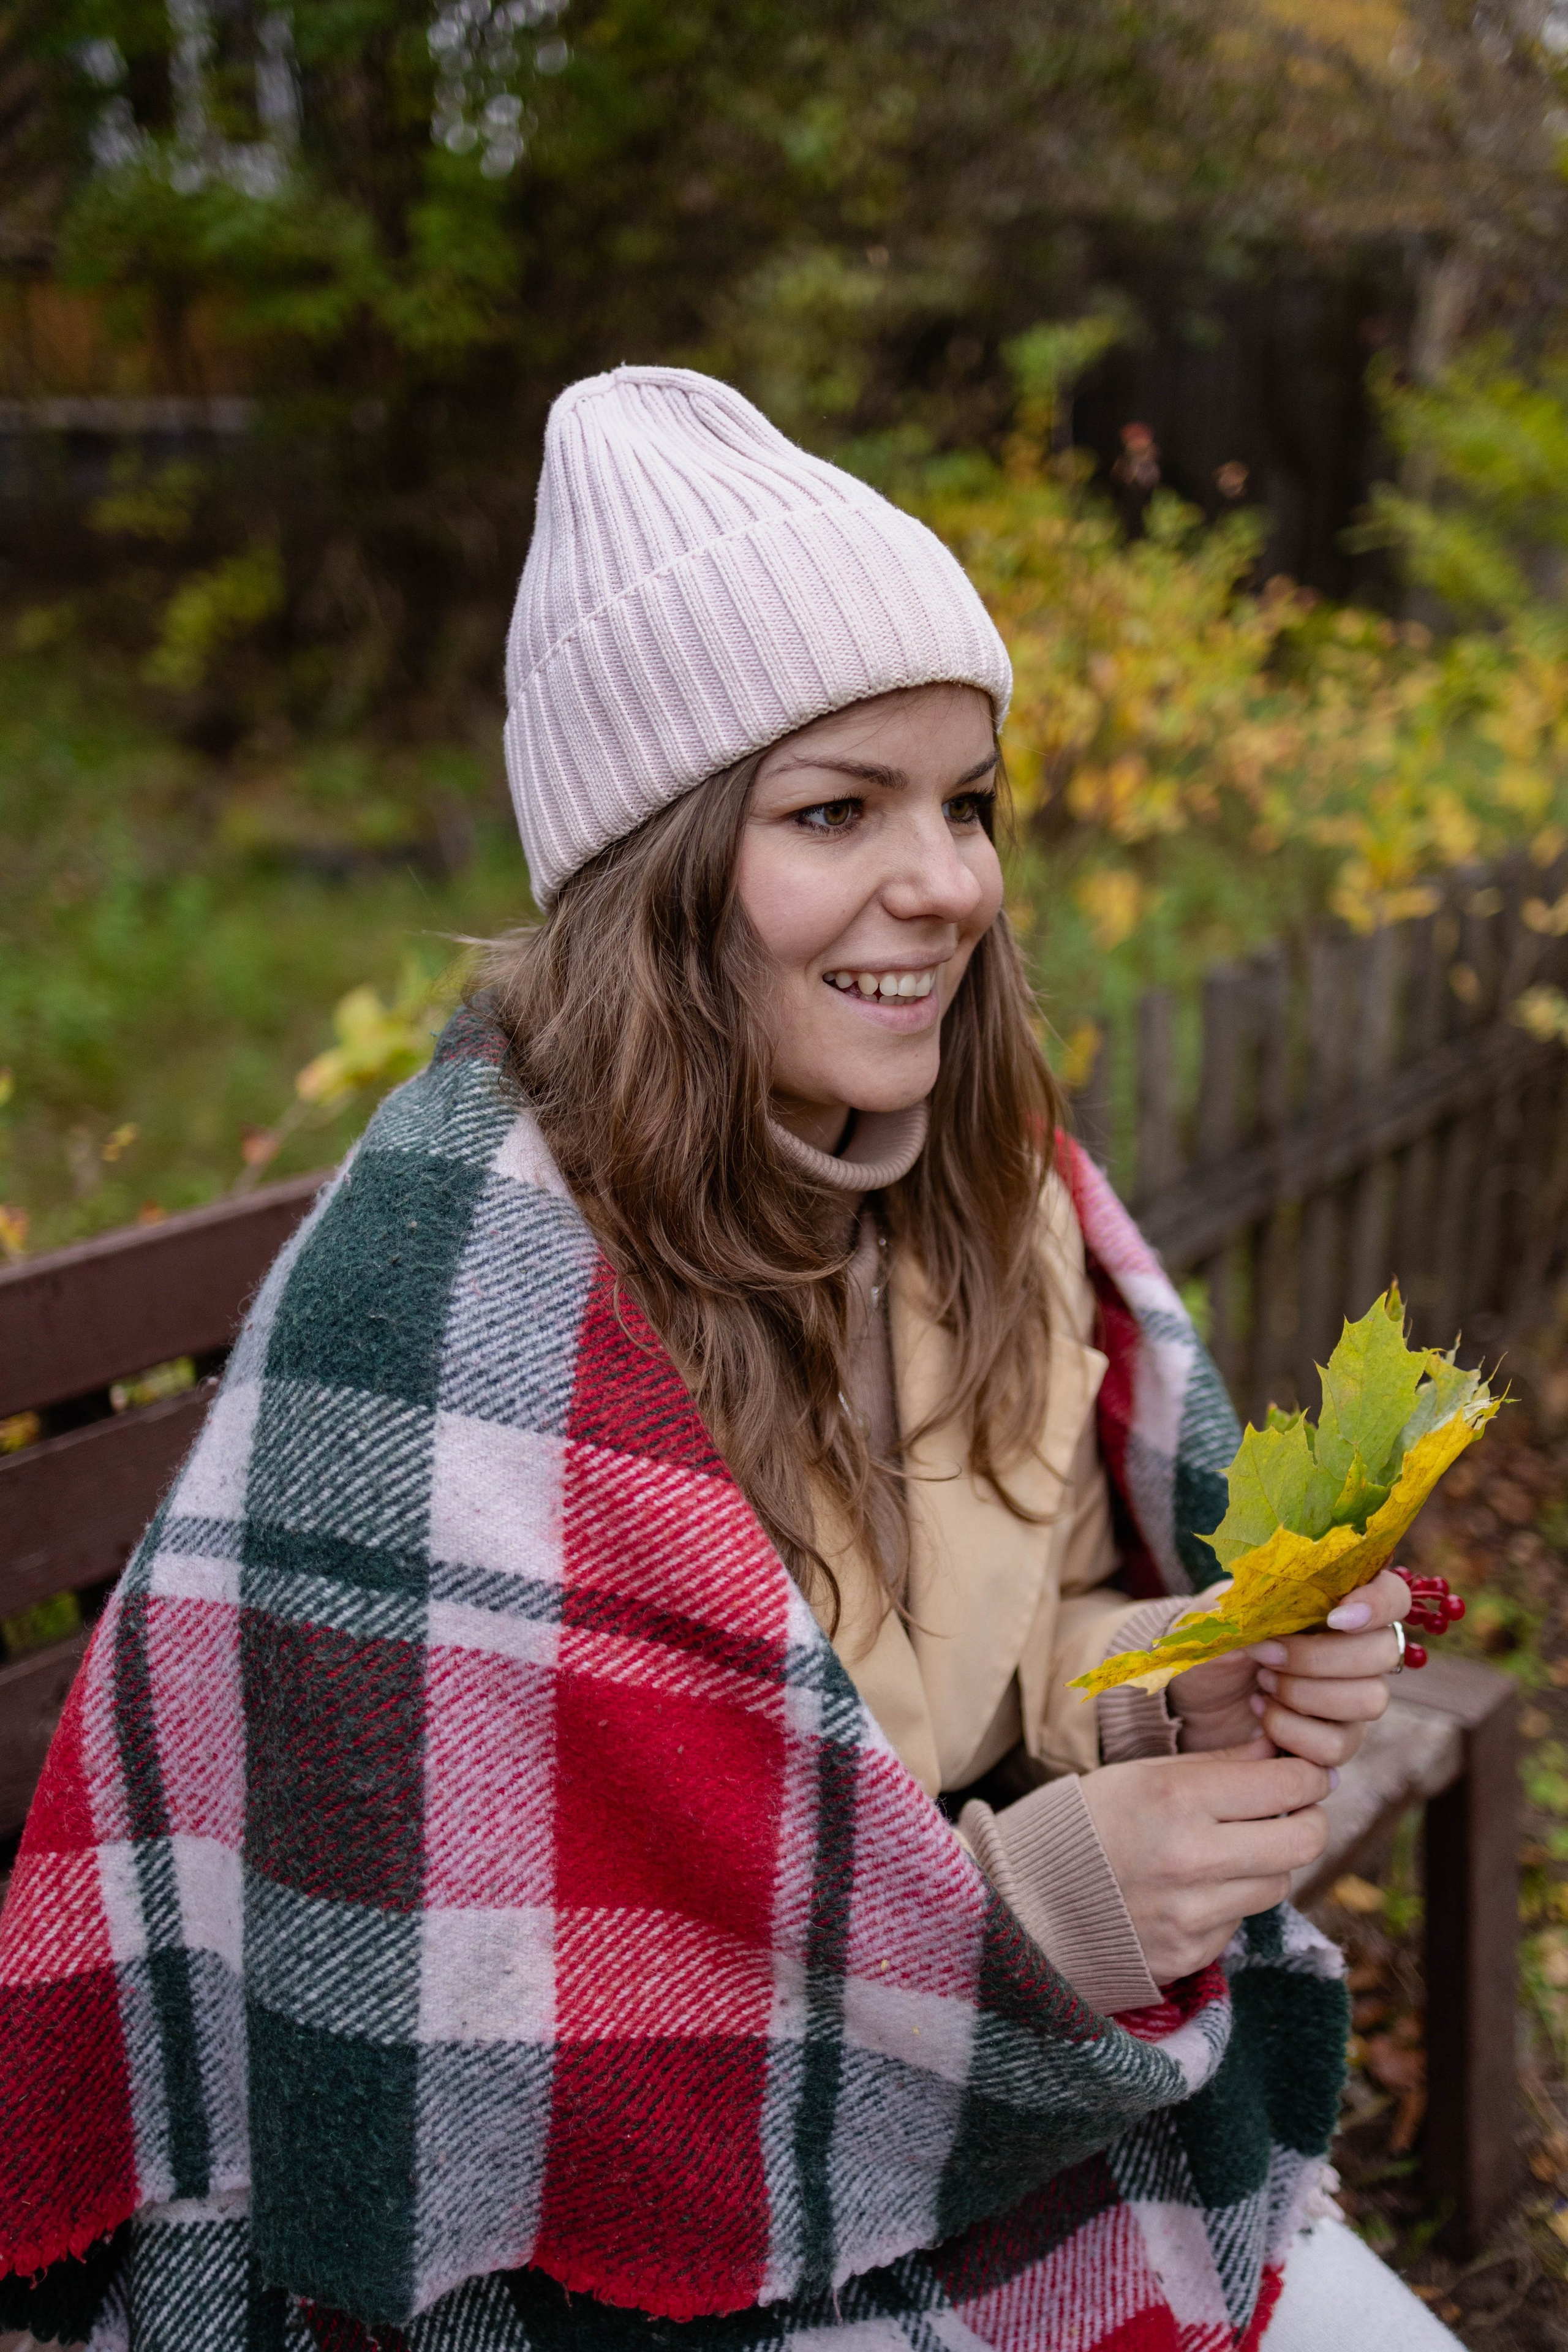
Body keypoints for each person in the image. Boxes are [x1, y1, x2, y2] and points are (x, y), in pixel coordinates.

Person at [0, 368, 1457, 2351]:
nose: (948, 880)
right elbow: (493, 2033)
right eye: (838, 809)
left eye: (966, 801)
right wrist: (1030, 1916)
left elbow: (1000, 1649)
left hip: (967, 2087)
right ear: (659, 871)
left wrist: (1179, 1686)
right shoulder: (460, 1324)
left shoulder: (991, 1195)